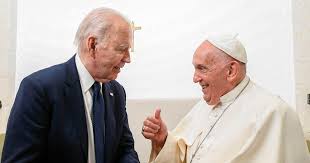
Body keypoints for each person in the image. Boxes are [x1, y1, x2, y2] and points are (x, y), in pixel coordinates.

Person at [142, 34, 310, 163]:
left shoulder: (275, 113)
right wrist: (163, 140)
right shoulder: (204, 106)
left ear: (231, 71)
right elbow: (188, 156)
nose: (195, 78)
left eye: (202, 69)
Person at [1, 7, 139, 163]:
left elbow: (125, 150)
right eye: (122, 49)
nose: (128, 59)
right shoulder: (38, 89)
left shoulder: (117, 92)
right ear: (92, 45)